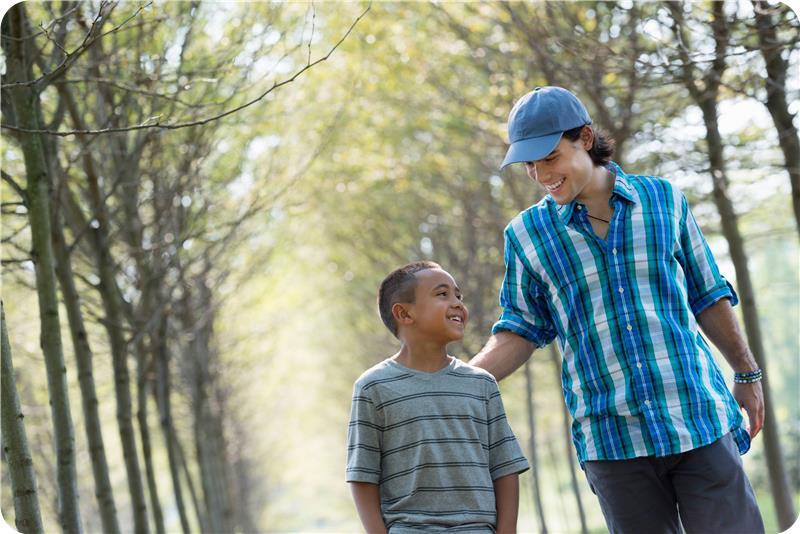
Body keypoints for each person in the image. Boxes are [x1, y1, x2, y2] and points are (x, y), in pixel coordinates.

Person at [470, 86, 765, 534]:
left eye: (549, 158)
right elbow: (520, 329)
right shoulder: (526, 236)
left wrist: (746, 372)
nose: (539, 174)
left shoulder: (664, 201)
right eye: (529, 164)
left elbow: (708, 295)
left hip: (696, 419)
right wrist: (459, 382)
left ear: (585, 137)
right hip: (611, 441)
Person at [346, 261, 530, 533]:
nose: (457, 303)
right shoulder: (373, 388)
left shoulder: (482, 384)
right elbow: (363, 476)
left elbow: (505, 468)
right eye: (442, 294)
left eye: (459, 296)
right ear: (404, 314)